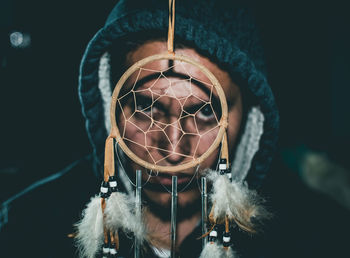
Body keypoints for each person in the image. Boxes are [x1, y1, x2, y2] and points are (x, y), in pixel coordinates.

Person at [0, 0, 348, 257]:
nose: (173, 149)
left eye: (207, 113)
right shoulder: (26, 231)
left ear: (253, 121)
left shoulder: (318, 239)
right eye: (147, 108)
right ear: (111, 104)